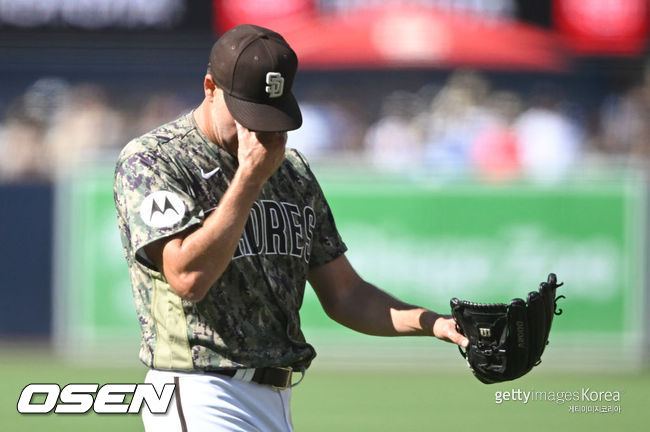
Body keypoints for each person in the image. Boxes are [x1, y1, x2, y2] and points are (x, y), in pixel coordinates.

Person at [113, 24, 468, 432]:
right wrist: (249, 179)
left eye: (270, 115)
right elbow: (188, 277)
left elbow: (346, 294)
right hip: (197, 392)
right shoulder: (156, 161)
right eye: (246, 113)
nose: (258, 130)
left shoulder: (292, 170)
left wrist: (434, 323)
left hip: (276, 398)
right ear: (210, 87)